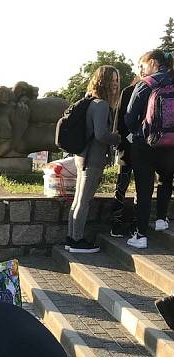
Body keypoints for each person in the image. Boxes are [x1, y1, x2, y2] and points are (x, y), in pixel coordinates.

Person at [66, 66, 121, 254]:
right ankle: (78, 241)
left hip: (82, 156)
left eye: (116, 80)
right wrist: (117, 137)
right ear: (103, 81)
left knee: (78, 200)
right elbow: (100, 135)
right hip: (93, 159)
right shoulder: (102, 105)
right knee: (84, 200)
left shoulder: (89, 101)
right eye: (112, 80)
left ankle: (71, 237)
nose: (115, 84)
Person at [125, 49, 174, 249]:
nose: (142, 69)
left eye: (143, 65)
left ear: (153, 62)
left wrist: (137, 131)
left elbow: (129, 117)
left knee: (144, 190)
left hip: (145, 144)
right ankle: (162, 219)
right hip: (171, 144)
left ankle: (141, 235)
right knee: (166, 179)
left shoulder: (145, 84)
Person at [110, 78, 139, 237]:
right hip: (127, 148)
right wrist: (123, 138)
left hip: (142, 147)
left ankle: (136, 223)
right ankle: (116, 222)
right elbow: (119, 119)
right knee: (121, 186)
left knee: (142, 187)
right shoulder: (128, 91)